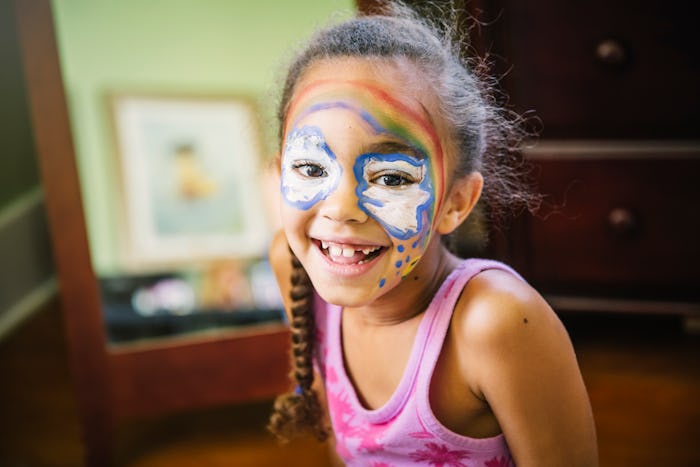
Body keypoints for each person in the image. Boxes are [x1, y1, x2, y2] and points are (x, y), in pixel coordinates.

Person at [266, 2, 598, 465]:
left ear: (456, 202)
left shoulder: (495, 323)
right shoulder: (295, 266)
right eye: (309, 167)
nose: (341, 208)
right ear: (279, 172)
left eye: (392, 177)